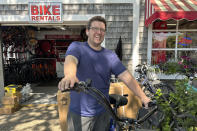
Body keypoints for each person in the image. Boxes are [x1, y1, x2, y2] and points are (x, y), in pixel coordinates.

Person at [58, 16, 150, 131]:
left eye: (102, 30)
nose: (99, 32)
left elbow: (127, 77)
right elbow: (71, 59)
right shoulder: (77, 47)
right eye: (95, 28)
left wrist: (144, 97)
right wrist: (70, 75)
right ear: (87, 31)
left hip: (103, 112)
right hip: (80, 114)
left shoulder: (110, 56)